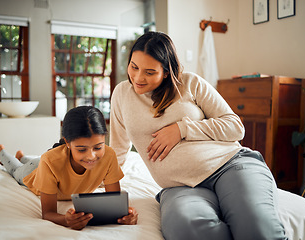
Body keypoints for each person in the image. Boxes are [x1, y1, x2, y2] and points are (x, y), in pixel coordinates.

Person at [109, 31, 287, 240]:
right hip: (179, 187)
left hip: (229, 165)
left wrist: (182, 130)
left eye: (149, 72)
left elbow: (235, 127)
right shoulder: (122, 95)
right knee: (186, 230)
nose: (138, 78)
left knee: (256, 228)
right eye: (134, 67)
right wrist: (106, 194)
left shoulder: (190, 83)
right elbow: (118, 149)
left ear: (166, 72)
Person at [0, 106, 138, 230]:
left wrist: (127, 216)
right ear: (67, 143)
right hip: (34, 170)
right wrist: (65, 220)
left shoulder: (109, 155)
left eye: (98, 147)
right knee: (16, 170)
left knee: (36, 160)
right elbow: (48, 213)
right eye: (82, 149)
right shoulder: (50, 161)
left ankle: (22, 156)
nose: (91, 156)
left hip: (48, 161)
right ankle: (1, 153)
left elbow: (113, 202)